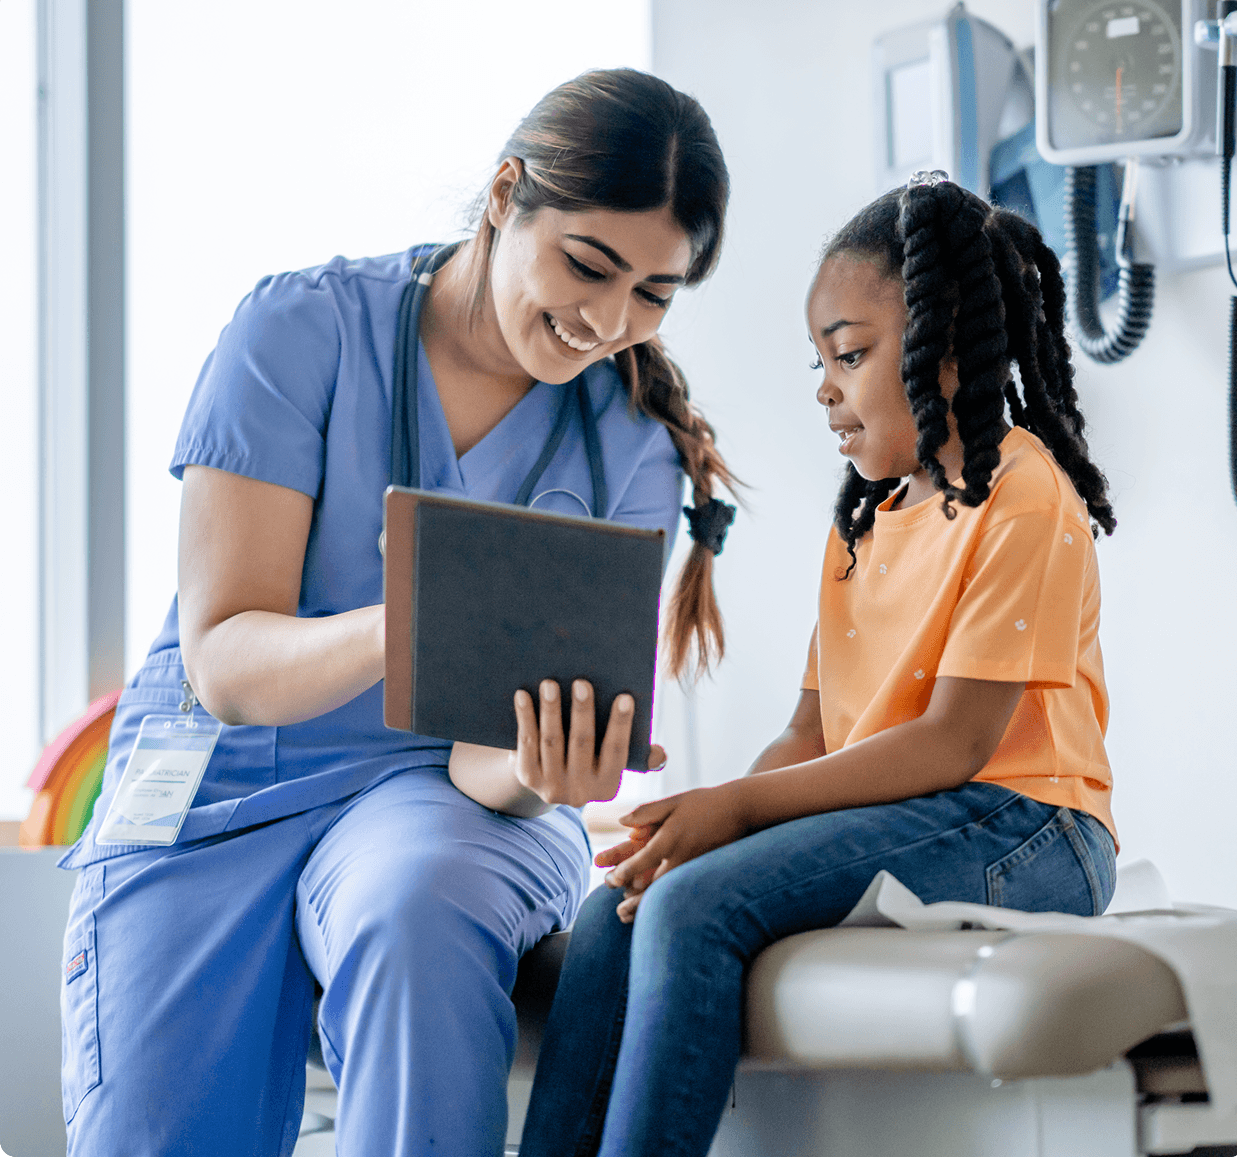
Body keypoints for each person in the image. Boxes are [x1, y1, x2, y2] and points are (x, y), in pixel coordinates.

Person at [57, 68, 734, 1157]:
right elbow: (225, 657)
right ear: (506, 196)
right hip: (219, 776)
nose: (608, 324)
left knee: (423, 903)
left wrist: (541, 771)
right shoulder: (299, 332)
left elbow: (481, 767)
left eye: (654, 294)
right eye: (588, 266)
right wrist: (420, 616)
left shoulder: (631, 446)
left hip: (435, 796)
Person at [518, 173, 1121, 1157]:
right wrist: (700, 816)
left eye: (849, 354)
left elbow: (954, 742)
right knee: (620, 910)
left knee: (693, 908)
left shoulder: (1024, 496)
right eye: (820, 361)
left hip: (1030, 824)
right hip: (908, 811)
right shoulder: (862, 524)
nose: (825, 388)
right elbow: (810, 731)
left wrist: (740, 818)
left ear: (947, 350)